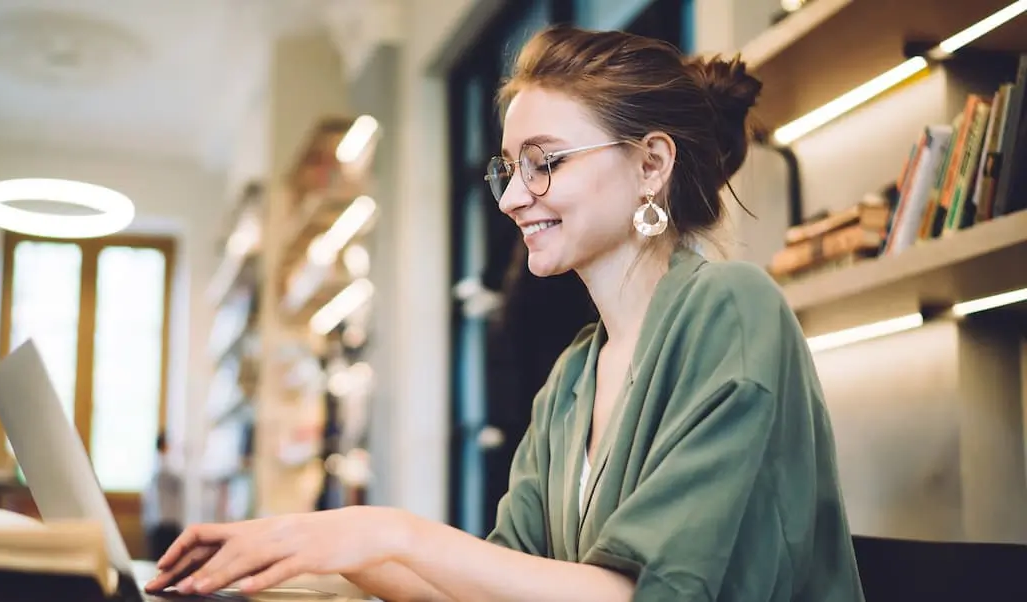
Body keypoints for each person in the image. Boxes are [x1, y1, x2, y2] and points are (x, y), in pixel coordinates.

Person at [145, 25, 866, 602]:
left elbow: (645, 594)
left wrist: (386, 532)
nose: (512, 197)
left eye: (543, 162)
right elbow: (496, 583)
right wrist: (295, 559)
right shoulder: (573, 380)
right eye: (508, 168)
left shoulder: (735, 308)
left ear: (652, 164)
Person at [141, 431, 184, 561]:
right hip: (165, 521)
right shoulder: (164, 465)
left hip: (158, 520)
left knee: (158, 558)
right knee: (165, 558)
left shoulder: (154, 464)